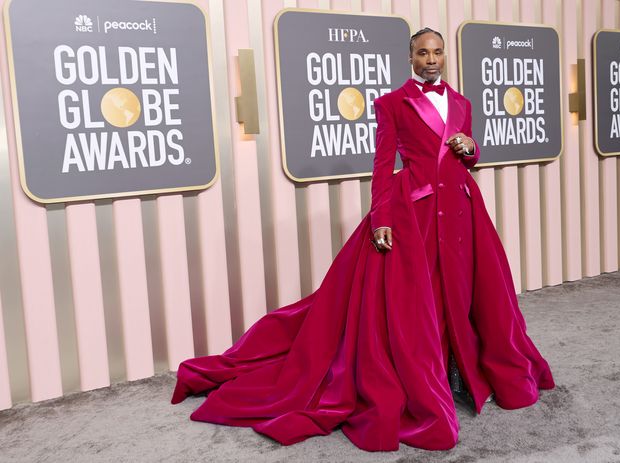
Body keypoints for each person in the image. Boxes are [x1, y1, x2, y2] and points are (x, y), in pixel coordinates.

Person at [171, 27, 555, 452]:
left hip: (464, 212)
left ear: (445, 57)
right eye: (423, 53)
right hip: (417, 212)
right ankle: (428, 380)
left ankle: (462, 372)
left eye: (438, 53)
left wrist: (472, 147)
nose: (431, 60)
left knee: (467, 294)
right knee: (415, 302)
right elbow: (382, 162)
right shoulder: (392, 104)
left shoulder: (462, 103)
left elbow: (468, 158)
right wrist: (380, 218)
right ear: (410, 57)